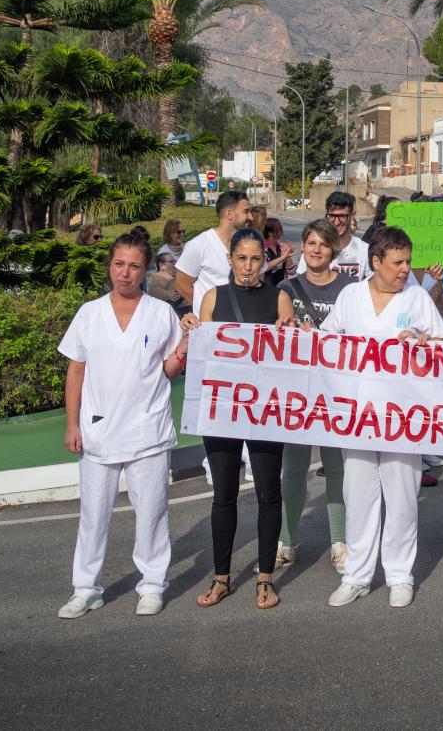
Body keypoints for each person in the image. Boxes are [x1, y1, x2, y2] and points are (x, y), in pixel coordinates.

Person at [57, 233, 187, 619]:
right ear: (109, 267)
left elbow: (167, 371)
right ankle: (86, 588)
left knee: (151, 513)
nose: (125, 273)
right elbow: (75, 371)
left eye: (133, 266)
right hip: (97, 430)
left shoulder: (161, 314)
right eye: (118, 264)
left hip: (147, 430)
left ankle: (151, 585)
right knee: (93, 517)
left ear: (145, 269)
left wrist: (184, 349)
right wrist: (71, 424)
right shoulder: (89, 313)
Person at [322, 226, 443, 609]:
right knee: (358, 498)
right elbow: (326, 344)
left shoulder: (417, 298)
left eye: (408, 261)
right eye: (397, 262)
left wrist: (426, 343)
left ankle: (399, 574)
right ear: (375, 262)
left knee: (403, 498)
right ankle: (358, 575)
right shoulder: (350, 296)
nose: (405, 269)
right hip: (358, 417)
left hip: (403, 418)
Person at [179, 228, 288, 611]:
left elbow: (293, 358)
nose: (248, 267)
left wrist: (291, 335)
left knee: (267, 493)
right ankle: (221, 577)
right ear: (229, 260)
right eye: (241, 259)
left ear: (265, 259)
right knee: (223, 494)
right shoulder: (213, 297)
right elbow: (198, 355)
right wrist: (190, 331)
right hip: (222, 410)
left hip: (264, 411)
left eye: (256, 259)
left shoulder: (279, 298)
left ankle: (265, 579)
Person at [274, 218, 353, 575]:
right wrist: (291, 329)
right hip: (300, 392)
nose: (316, 249)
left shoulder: (351, 289)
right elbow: (285, 324)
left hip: (338, 390)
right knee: (293, 469)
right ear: (303, 247)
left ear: (333, 249)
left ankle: (340, 543)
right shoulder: (288, 287)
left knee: (337, 468)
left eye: (323, 244)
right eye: (311, 243)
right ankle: (286, 543)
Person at [175, 189, 250, 319]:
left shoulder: (250, 244)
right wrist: (207, 310)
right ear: (229, 214)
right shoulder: (199, 244)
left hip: (243, 324)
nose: (250, 217)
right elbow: (181, 284)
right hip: (210, 330)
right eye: (246, 211)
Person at [298, 191, 369, 280]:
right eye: (332, 216)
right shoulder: (315, 250)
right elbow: (300, 283)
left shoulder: (365, 251)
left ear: (352, 215)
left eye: (342, 216)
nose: (336, 222)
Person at [261, 216, 294, 286]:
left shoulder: (280, 247)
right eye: (278, 230)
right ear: (269, 233)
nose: (280, 233)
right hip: (267, 288)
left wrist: (288, 254)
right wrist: (282, 258)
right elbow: (262, 268)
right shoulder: (262, 248)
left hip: (282, 287)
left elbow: (291, 271)